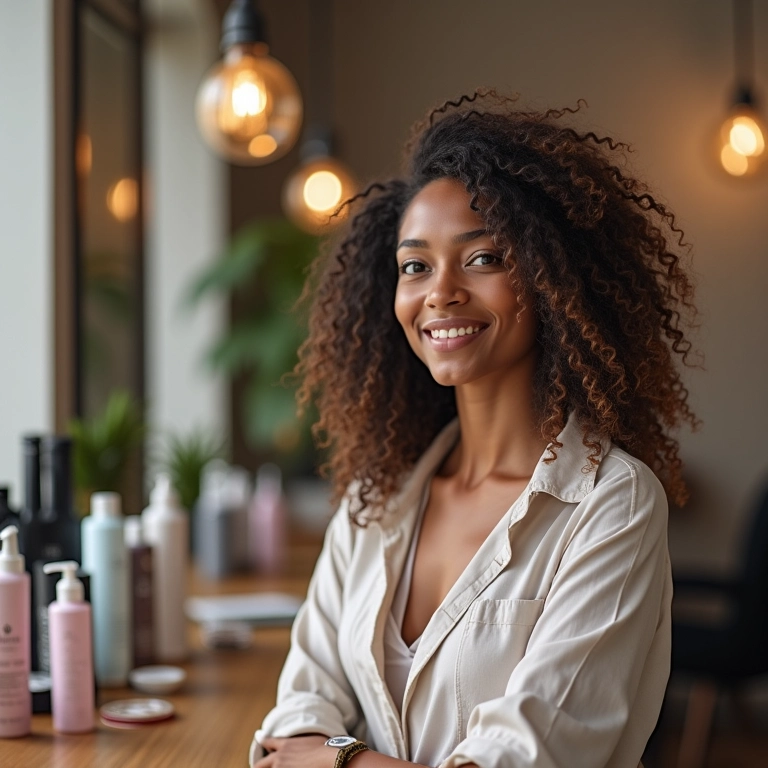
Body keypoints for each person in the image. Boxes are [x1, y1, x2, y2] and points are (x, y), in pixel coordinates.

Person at [250, 91, 699, 768]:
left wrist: (337, 760)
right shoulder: (379, 497)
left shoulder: (613, 505)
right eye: (415, 266)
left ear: (553, 279)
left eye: (483, 258)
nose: (440, 292)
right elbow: (292, 720)